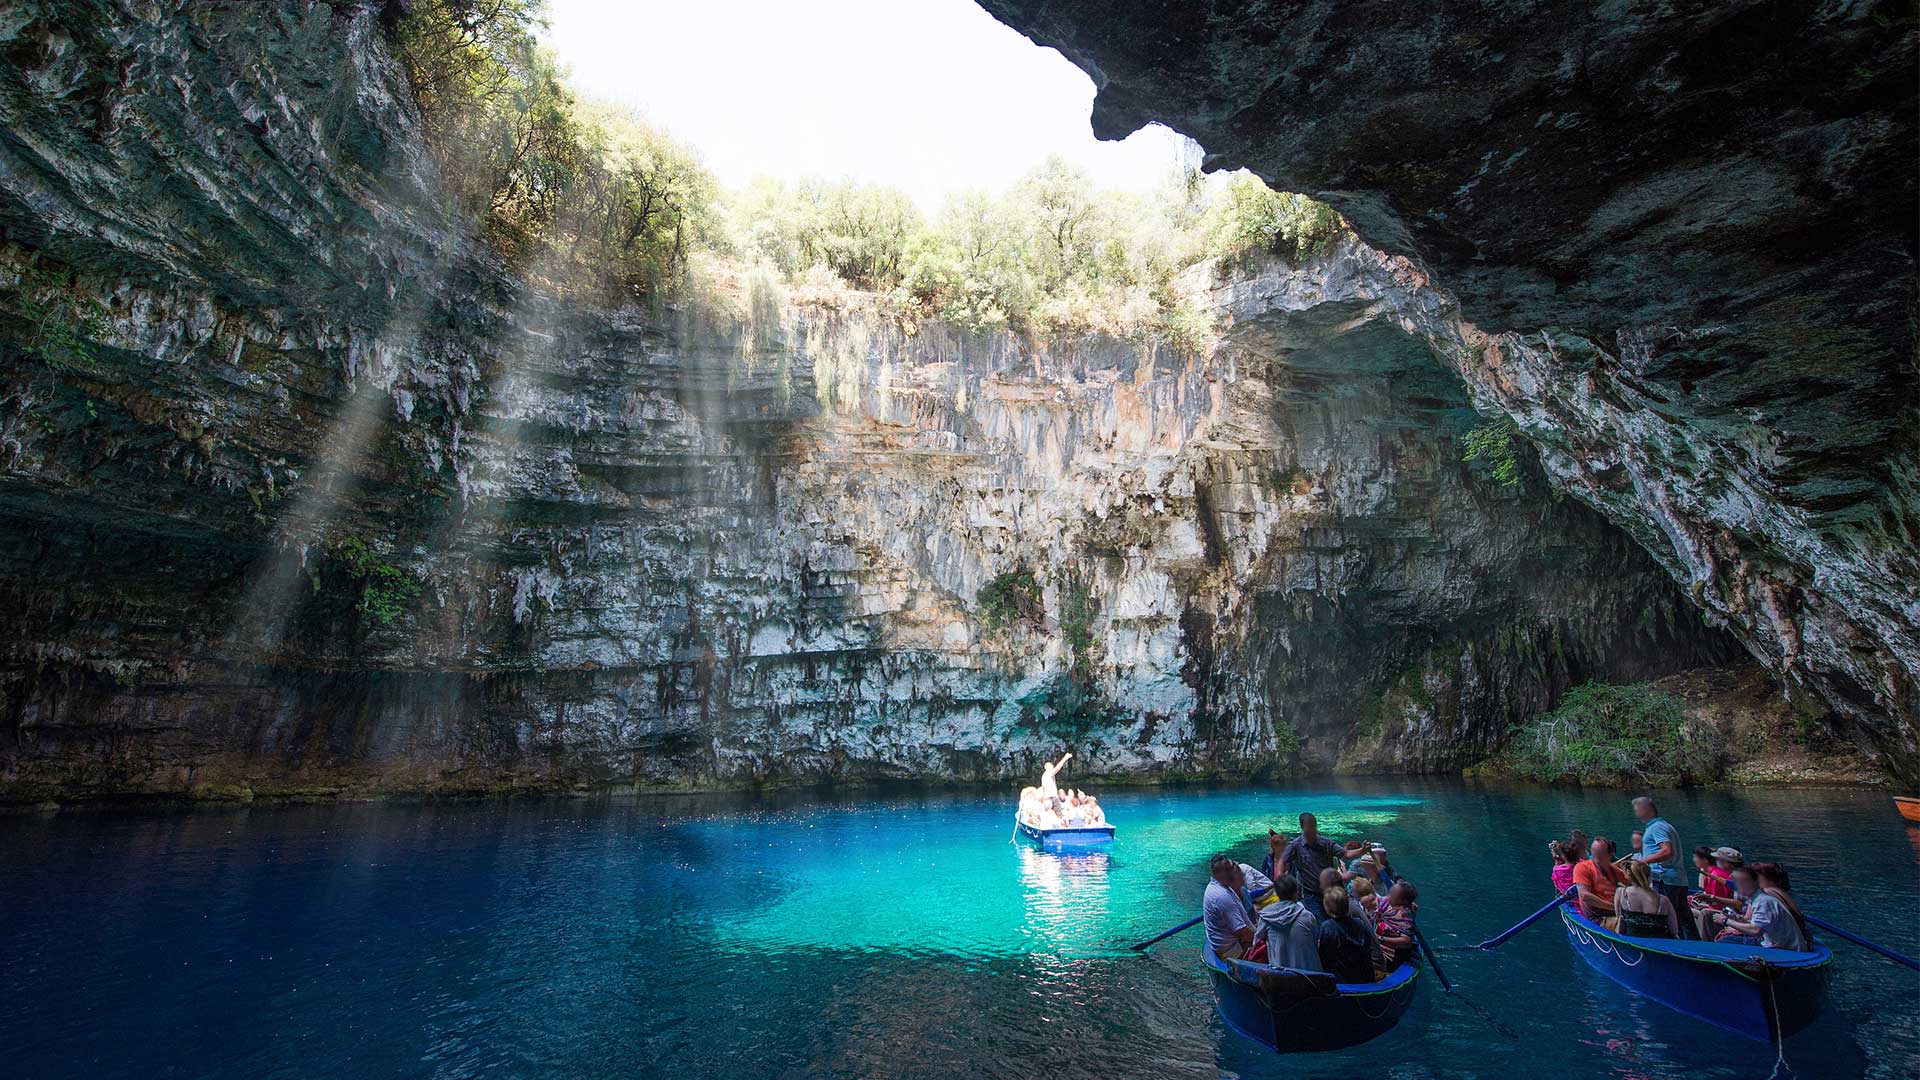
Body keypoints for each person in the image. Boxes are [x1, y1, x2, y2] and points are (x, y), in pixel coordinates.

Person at [1629, 796, 1694, 938]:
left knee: (1670, 917)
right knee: (1684, 917)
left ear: (1646, 809)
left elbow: (1667, 851)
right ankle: (1694, 945)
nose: (1635, 812)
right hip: (1677, 879)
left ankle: (1679, 948)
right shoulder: (1664, 825)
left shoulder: (1657, 827)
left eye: (1637, 809)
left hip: (1665, 878)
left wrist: (1643, 862)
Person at [1281, 813, 1365, 918]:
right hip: (1312, 894)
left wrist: (1362, 850)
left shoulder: (1326, 843)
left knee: (1342, 919)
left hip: (1333, 892)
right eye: (1309, 827)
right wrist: (1281, 881)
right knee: (1321, 922)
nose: (1312, 830)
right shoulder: (1295, 846)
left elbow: (1346, 854)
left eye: (1313, 826)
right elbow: (1282, 861)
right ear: (1302, 827)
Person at [1712, 864, 1809, 950]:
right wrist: (1734, 918)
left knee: (1724, 942)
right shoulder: (1759, 897)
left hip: (1783, 948)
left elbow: (1756, 930)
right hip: (1775, 942)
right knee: (1728, 939)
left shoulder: (1764, 899)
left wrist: (1726, 921)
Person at [1255, 873, 1322, 972]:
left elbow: (1256, 941)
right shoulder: (1307, 916)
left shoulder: (1266, 916)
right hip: (1308, 974)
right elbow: (1316, 941)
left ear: (1277, 893)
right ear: (1296, 893)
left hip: (1279, 974)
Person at [1315, 888, 1376, 983]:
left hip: (1341, 979)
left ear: (1327, 908)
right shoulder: (1359, 923)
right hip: (1363, 975)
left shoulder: (1328, 927)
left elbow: (1324, 956)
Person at [1204, 854, 1258, 959]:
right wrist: (1260, 937)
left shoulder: (1219, 887)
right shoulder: (1222, 896)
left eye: (1232, 868)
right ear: (1217, 874)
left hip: (1228, 943)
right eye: (1228, 870)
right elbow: (1242, 933)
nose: (1232, 872)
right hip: (1233, 950)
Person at [1614, 858, 1680, 938]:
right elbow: (1674, 931)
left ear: (1630, 877)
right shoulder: (1664, 900)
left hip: (1631, 941)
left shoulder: (1621, 893)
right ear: (1649, 877)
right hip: (1656, 945)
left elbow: (1620, 920)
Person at [1574, 836, 1626, 925]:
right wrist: (1614, 907)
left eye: (1600, 853)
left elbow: (1632, 885)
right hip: (1597, 918)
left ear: (1610, 855)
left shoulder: (1615, 871)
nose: (1596, 856)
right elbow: (1585, 896)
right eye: (1594, 852)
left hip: (1617, 913)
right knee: (1625, 925)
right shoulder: (1582, 867)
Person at [1374, 881, 1418, 965]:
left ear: (1402, 901)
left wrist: (1380, 938)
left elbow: (1406, 940)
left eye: (1392, 894)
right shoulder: (1386, 903)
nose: (1388, 896)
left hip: (1393, 952)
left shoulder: (1404, 916)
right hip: (1379, 942)